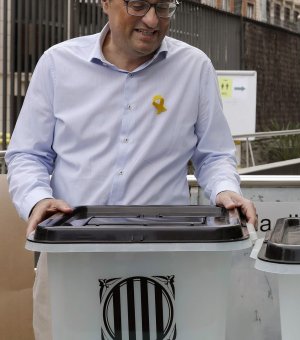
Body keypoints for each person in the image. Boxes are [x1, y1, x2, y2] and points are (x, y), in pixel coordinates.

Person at [5, 0, 257, 338]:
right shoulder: (57, 64)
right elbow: (27, 154)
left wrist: (226, 190)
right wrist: (38, 200)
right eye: (138, 5)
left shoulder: (194, 68)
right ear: (106, 3)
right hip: (71, 258)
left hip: (165, 259)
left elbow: (213, 155)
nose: (152, 20)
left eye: (163, 6)